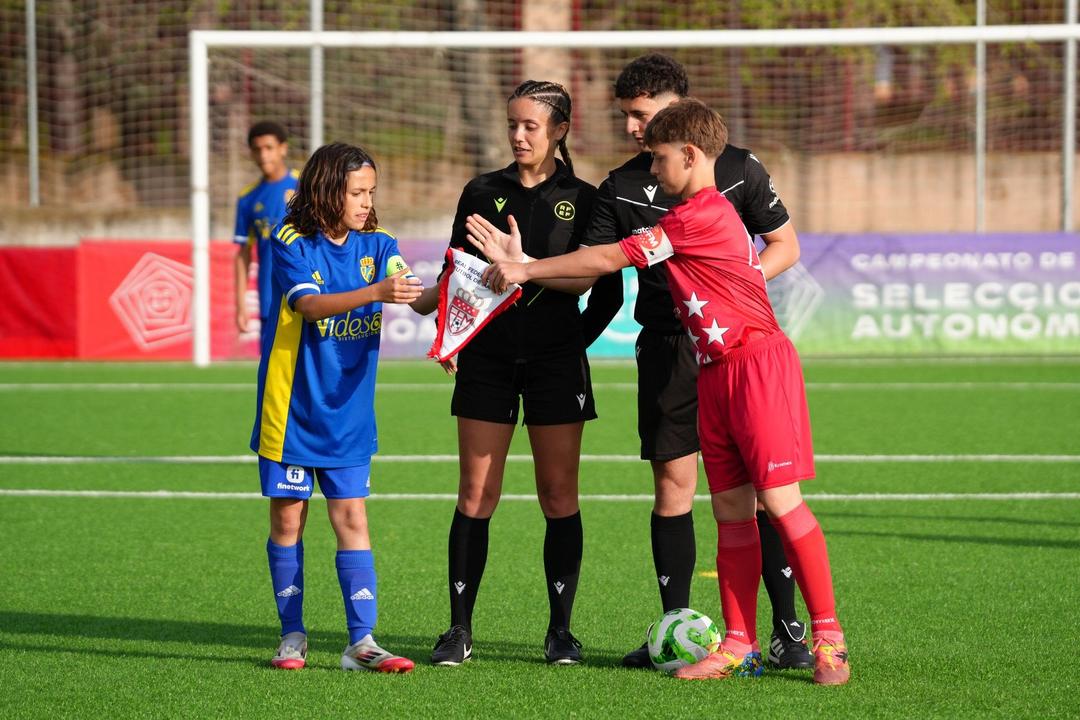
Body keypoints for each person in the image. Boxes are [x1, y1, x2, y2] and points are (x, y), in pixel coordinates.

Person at [479, 98, 850, 686]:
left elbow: (610, 257)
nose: (651, 170)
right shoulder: (687, 213)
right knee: (730, 512)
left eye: (658, 158)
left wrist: (526, 268)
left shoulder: (701, 215)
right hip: (713, 369)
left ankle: (829, 640)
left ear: (690, 155)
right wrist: (530, 262)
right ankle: (739, 645)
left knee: (780, 503)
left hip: (756, 367)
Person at [581, 54, 812, 670]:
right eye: (626, 116)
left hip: (731, 347)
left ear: (678, 109)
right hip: (665, 344)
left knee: (761, 491)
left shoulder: (737, 167)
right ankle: (675, 629)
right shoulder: (620, 185)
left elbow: (784, 244)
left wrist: (731, 292)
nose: (632, 128)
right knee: (673, 486)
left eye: (641, 114)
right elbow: (597, 270)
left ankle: (788, 630)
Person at [412, 80, 613, 667]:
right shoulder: (481, 191)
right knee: (476, 493)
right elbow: (457, 272)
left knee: (558, 493)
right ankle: (458, 629)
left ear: (560, 130)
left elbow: (597, 286)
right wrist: (450, 330)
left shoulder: (585, 198)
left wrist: (528, 274)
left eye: (531, 125)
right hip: (489, 361)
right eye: (512, 125)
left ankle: (561, 632)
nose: (519, 135)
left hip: (556, 363)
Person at [250, 142, 424, 673]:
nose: (367, 202)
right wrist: (376, 292)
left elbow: (416, 297)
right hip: (292, 411)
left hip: (349, 415)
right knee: (289, 520)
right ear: (328, 191)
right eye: (357, 192)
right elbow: (308, 305)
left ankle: (361, 643)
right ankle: (292, 635)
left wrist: (464, 282)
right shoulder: (291, 240)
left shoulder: (380, 242)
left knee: (352, 516)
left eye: (371, 192)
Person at [233, 121, 301, 338]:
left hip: (308, 296)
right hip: (270, 299)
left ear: (283, 148)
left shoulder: (306, 185)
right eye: (257, 149)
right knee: (270, 361)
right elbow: (243, 253)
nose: (263, 155)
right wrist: (241, 305)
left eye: (269, 148)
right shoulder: (248, 197)